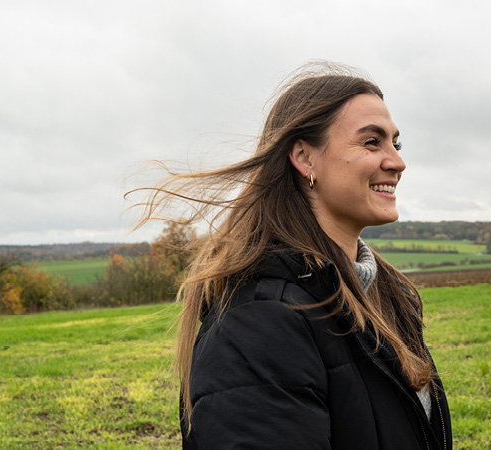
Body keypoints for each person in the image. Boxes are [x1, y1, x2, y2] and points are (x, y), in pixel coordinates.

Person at [135, 63, 451, 449]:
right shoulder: (260, 322)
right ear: (304, 158)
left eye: (395, 143)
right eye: (372, 142)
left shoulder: (386, 296)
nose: (397, 162)